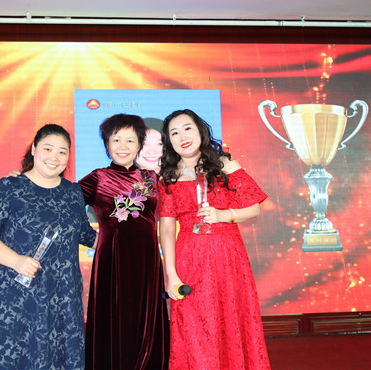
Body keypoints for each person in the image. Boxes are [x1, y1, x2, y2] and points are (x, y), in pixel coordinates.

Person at [0, 124, 97, 370]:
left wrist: (128, 238)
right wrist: (16, 261)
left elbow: (84, 234)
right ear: (33, 149)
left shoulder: (73, 192)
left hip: (63, 294)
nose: (54, 157)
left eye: (62, 152)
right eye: (48, 149)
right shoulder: (10, 187)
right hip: (19, 293)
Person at [157, 109, 271, 370]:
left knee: (231, 320)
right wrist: (171, 274)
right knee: (192, 326)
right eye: (174, 133)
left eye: (187, 128)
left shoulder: (225, 164)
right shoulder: (167, 176)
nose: (182, 136)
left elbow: (254, 208)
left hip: (228, 257)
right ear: (169, 141)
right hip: (189, 258)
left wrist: (224, 215)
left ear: (200, 131)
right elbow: (167, 229)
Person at [79, 113, 169, 370]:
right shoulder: (98, 178)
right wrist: (90, 238)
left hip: (147, 262)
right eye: (116, 139)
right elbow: (62, 203)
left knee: (146, 319)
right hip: (112, 261)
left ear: (139, 144)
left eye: (130, 140)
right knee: (114, 320)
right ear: (107, 144)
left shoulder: (152, 178)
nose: (123, 146)